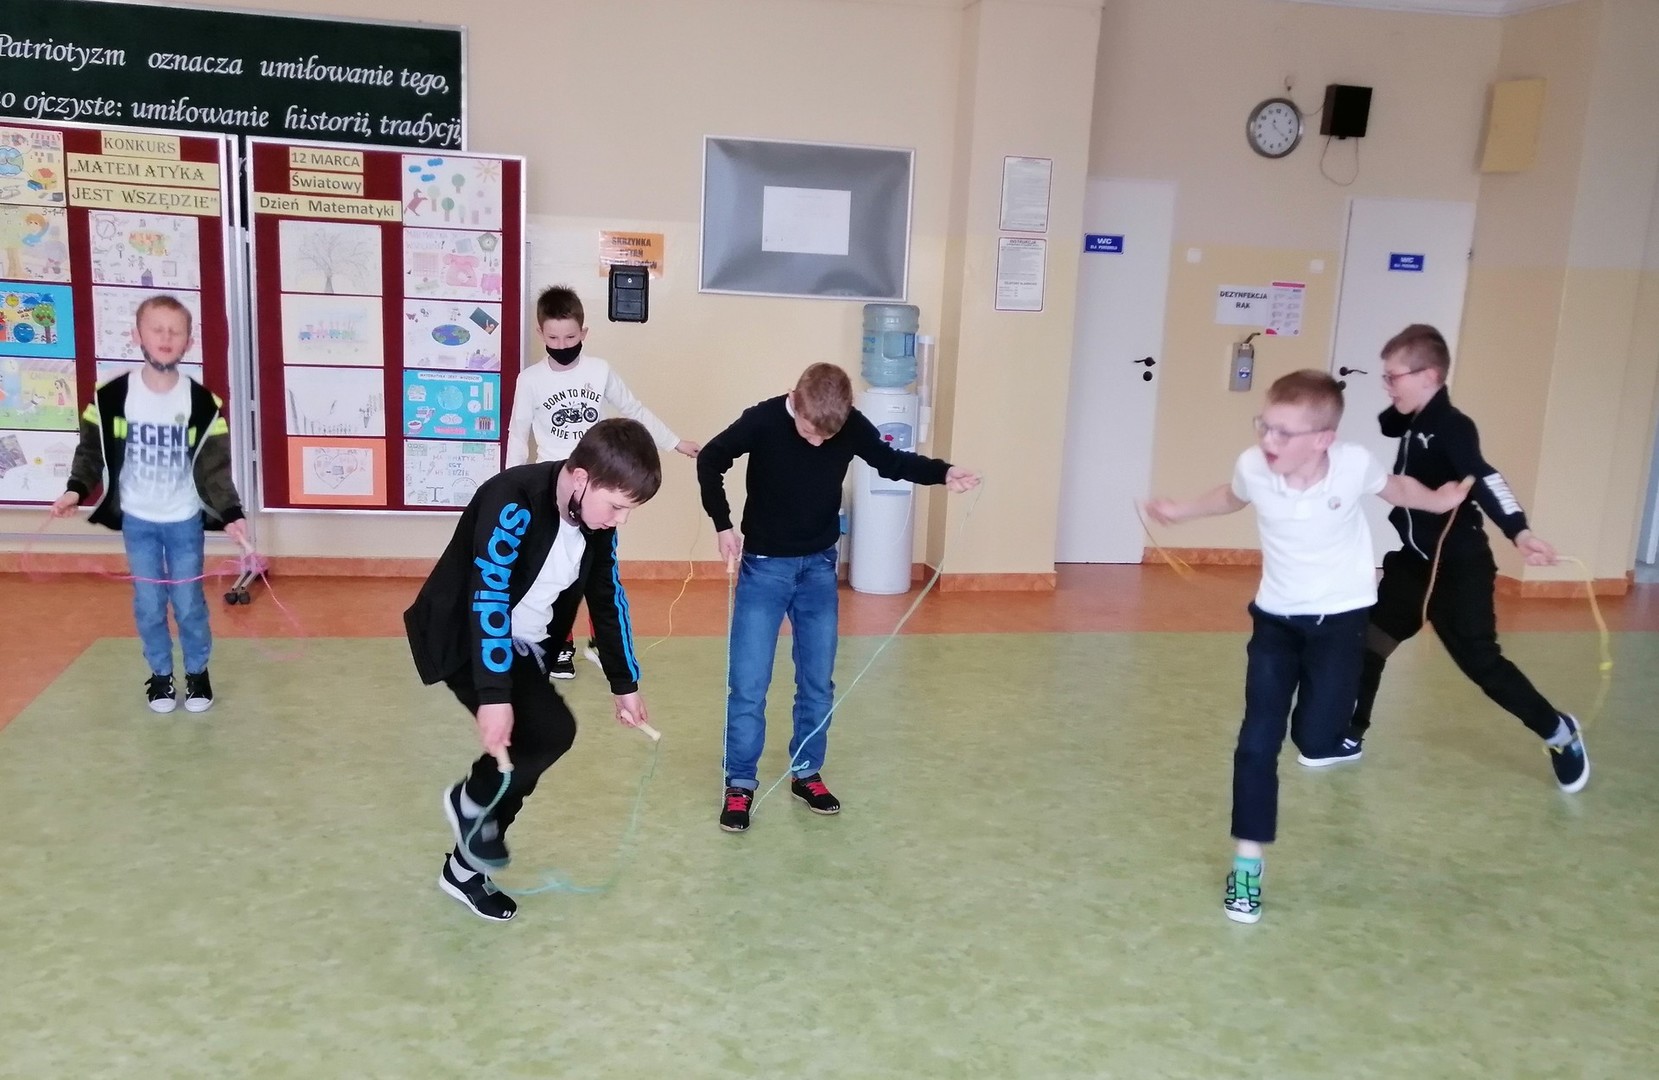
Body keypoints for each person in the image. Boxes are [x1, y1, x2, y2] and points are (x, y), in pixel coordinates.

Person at [1147, 370, 1469, 924]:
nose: (1268, 441)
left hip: (1341, 624)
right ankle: (1247, 867)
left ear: (1323, 439)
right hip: (1275, 623)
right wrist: (1182, 510)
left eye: (1283, 432)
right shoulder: (1254, 466)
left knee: (1317, 743)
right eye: (1264, 426)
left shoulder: (1353, 464)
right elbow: (1230, 496)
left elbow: (1396, 489)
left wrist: (1440, 502)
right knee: (1256, 742)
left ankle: (1329, 737)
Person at [697, 362, 980, 833]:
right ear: (794, 400)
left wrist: (944, 472)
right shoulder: (763, 419)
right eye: (809, 431)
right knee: (748, 684)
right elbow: (711, 458)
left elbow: (892, 462)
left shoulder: (847, 423)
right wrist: (723, 524)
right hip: (764, 568)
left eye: (826, 437)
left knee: (817, 682)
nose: (817, 443)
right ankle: (740, 782)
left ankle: (806, 771)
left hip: (819, 569)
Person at [405, 418, 661, 922]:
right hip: (466, 636)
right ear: (582, 478)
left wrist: (624, 683)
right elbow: (488, 598)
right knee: (547, 733)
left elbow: (607, 596)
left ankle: (464, 865)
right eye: (616, 506)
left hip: (527, 646)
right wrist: (494, 696)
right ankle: (470, 804)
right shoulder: (513, 499)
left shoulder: (595, 524)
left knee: (532, 750)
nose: (621, 520)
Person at [1333, 323, 1587, 794]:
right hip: (1414, 562)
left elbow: (1486, 477)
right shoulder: (1415, 419)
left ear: (1429, 375)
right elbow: (1388, 424)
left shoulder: (1453, 426)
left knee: (1481, 663)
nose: (1387, 386)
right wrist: (1403, 402)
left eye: (1394, 377)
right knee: (1369, 642)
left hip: (1459, 568)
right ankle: (1349, 733)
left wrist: (1519, 530)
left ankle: (1560, 732)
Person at [51, 294, 248, 714]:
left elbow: (215, 468)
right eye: (157, 329)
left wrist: (232, 514)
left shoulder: (203, 405)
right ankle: (160, 675)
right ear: (137, 335)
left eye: (175, 331)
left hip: (184, 520)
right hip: (138, 520)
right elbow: (90, 453)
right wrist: (75, 489)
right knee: (149, 604)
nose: (166, 337)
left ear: (188, 342)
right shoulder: (109, 397)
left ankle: (197, 673)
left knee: (188, 603)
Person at [503, 285, 697, 679]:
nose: (562, 345)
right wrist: (509, 488)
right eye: (553, 338)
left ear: (584, 333)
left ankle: (602, 643)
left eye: (570, 337)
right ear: (541, 334)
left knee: (598, 570)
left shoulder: (599, 371)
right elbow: (517, 435)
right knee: (553, 570)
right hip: (555, 491)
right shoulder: (530, 380)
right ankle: (561, 646)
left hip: (599, 489)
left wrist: (674, 442)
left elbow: (633, 409)